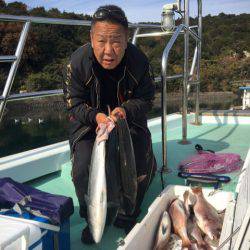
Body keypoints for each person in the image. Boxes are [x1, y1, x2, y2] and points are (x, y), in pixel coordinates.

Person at [63, 4, 157, 244]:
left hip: (126, 119)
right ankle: (91, 216)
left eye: (116, 41)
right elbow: (73, 104)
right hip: (89, 122)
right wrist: (96, 117)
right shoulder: (77, 62)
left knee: (138, 159)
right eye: (101, 40)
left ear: (126, 40)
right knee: (83, 166)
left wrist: (123, 111)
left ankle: (128, 212)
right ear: (91, 38)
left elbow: (146, 100)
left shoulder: (139, 62)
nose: (108, 50)